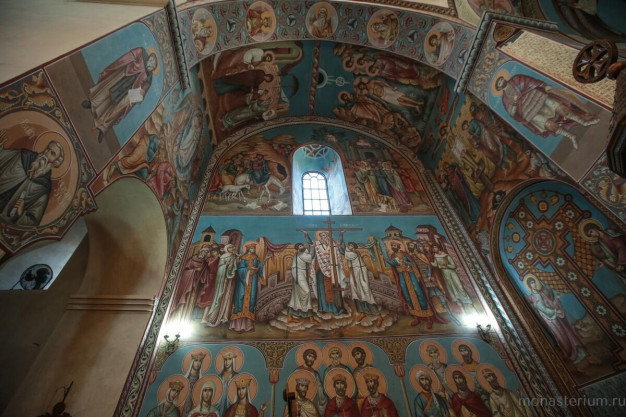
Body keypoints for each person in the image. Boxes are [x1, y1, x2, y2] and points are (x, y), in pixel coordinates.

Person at [494, 74, 600, 150]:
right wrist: (514, 102)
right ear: (499, 87)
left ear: (503, 78)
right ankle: (571, 137)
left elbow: (531, 81)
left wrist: (544, 85)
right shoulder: (505, 99)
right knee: (550, 125)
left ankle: (584, 122)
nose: (501, 82)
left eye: (501, 80)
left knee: (562, 109)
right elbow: (512, 113)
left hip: (537, 96)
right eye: (499, 83)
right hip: (529, 112)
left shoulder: (516, 79)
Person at [82, 47, 158, 143]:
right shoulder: (141, 53)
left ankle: (102, 127)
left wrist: (138, 95)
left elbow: (142, 92)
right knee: (106, 91)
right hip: (122, 76)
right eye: (151, 60)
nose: (151, 63)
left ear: (154, 68)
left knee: (115, 109)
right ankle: (92, 104)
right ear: (149, 57)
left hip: (128, 91)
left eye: (153, 64)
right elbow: (126, 58)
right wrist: (131, 63)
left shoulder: (149, 78)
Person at [0, 140, 64, 227]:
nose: (46, 153)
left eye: (52, 153)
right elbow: (2, 155)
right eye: (48, 148)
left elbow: (33, 222)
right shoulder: (23, 156)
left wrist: (21, 213)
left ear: (55, 163)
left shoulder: (43, 188)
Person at [526, 276, 588, 364]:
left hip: (556, 316)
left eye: (534, 282)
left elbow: (550, 302)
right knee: (563, 337)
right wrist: (555, 311)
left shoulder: (540, 293)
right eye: (532, 283)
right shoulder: (534, 298)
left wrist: (556, 298)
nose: (534, 284)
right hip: (552, 321)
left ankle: (580, 351)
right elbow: (543, 309)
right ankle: (573, 355)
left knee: (568, 331)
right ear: (529, 285)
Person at [386, 241, 440, 328]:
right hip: (402, 276)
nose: (393, 247)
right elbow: (394, 269)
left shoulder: (405, 254)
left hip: (411, 275)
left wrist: (406, 263)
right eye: (392, 246)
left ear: (399, 246)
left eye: (394, 245)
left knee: (419, 293)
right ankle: (416, 317)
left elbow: (413, 264)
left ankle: (429, 318)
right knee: (407, 295)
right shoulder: (393, 256)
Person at [338, 232, 383, 326]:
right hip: (354, 273)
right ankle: (362, 312)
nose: (349, 246)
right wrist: (341, 237)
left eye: (351, 245)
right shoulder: (349, 252)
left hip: (359, 273)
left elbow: (345, 252)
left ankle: (378, 316)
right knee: (356, 293)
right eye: (349, 245)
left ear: (354, 247)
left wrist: (341, 242)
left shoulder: (355, 253)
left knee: (365, 292)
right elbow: (342, 250)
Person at [302, 231, 347, 316]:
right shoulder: (317, 244)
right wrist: (306, 235)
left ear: (328, 236)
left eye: (325, 235)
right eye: (322, 235)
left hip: (333, 269)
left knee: (335, 286)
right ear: (320, 237)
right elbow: (311, 248)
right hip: (321, 269)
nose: (324, 237)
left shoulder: (333, 244)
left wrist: (341, 235)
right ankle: (324, 308)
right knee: (322, 288)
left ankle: (338, 307)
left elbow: (341, 248)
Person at [230, 243, 265, 332]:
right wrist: (248, 269)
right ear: (248, 249)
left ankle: (248, 326)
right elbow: (240, 269)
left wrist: (262, 263)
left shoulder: (256, 258)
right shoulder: (243, 258)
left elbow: (259, 268)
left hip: (253, 281)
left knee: (251, 300)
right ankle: (237, 326)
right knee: (240, 298)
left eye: (254, 248)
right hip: (243, 282)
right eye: (252, 248)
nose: (253, 250)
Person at [431, 246, 475, 314]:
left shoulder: (446, 256)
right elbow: (435, 264)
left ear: (438, 248)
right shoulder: (435, 257)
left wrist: (445, 265)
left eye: (435, 247)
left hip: (452, 273)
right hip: (445, 274)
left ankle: (469, 302)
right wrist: (428, 262)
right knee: (452, 288)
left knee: (459, 286)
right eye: (433, 248)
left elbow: (453, 266)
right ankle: (459, 303)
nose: (434, 249)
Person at [204, 244, 239, 327]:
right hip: (223, 280)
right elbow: (220, 268)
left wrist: (235, 262)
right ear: (227, 248)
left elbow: (235, 268)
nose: (232, 248)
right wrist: (227, 266)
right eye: (230, 247)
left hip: (230, 281)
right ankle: (213, 317)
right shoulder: (223, 257)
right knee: (220, 296)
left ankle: (224, 318)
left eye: (233, 247)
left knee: (228, 297)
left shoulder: (234, 256)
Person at [174, 246, 211, 321]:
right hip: (188, 284)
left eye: (206, 253)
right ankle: (177, 317)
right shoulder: (192, 259)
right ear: (200, 252)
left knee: (191, 301)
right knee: (184, 300)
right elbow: (184, 271)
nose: (204, 253)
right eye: (204, 252)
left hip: (196, 286)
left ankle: (187, 318)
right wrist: (194, 271)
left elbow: (205, 277)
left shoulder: (205, 264)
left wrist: (202, 278)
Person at [287, 241, 320, 324]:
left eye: (302, 245)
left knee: (296, 296)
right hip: (298, 275)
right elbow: (311, 256)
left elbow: (307, 251)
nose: (303, 247)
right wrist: (313, 247)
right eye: (300, 246)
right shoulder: (300, 255)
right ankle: (304, 308)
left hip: (301, 274)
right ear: (297, 249)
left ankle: (290, 317)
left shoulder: (302, 254)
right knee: (307, 291)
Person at [298, 349, 329, 416]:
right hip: (298, 404)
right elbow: (291, 389)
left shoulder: (315, 374)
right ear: (305, 357)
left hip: (312, 406)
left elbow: (321, 394)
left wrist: (327, 396)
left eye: (313, 357)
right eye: (309, 356)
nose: (311, 359)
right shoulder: (297, 372)